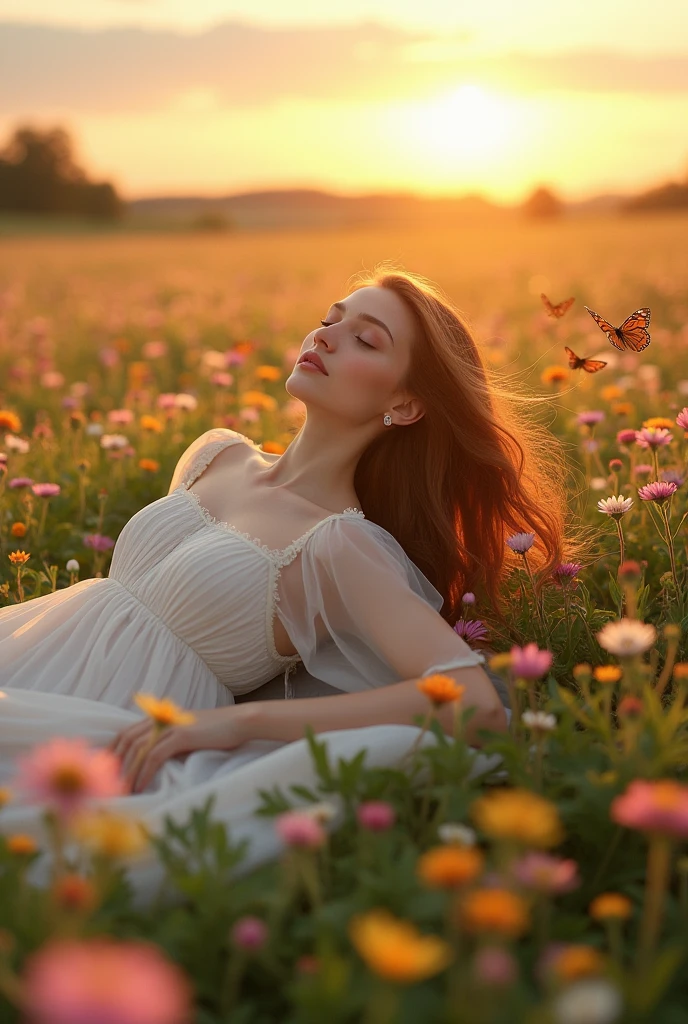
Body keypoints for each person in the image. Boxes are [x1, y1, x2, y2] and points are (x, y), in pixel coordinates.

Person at [0, 266, 571, 893]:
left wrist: (236, 725)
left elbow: (477, 704)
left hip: (118, 726)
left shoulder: (340, 545)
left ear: (404, 404)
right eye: (331, 320)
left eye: (366, 339)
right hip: (29, 650)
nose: (327, 337)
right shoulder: (216, 452)